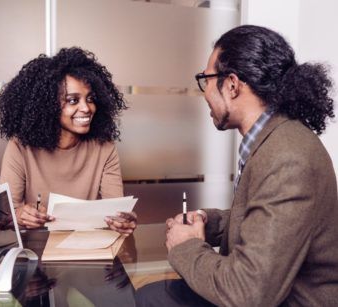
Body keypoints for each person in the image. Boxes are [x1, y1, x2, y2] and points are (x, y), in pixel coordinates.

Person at [136, 25, 338, 306]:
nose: (205, 92)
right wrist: (212, 223)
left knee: (150, 299)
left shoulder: (288, 158)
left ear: (232, 84)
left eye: (205, 79)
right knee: (150, 294)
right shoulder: (273, 138)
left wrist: (187, 245)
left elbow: (247, 293)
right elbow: (270, 218)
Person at [0, 47, 136, 235]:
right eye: (73, 100)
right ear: (47, 106)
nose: (86, 108)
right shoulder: (20, 147)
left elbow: (116, 210)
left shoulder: (105, 147)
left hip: (87, 248)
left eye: (90, 99)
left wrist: (123, 220)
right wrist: (20, 215)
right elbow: (4, 215)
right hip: (35, 251)